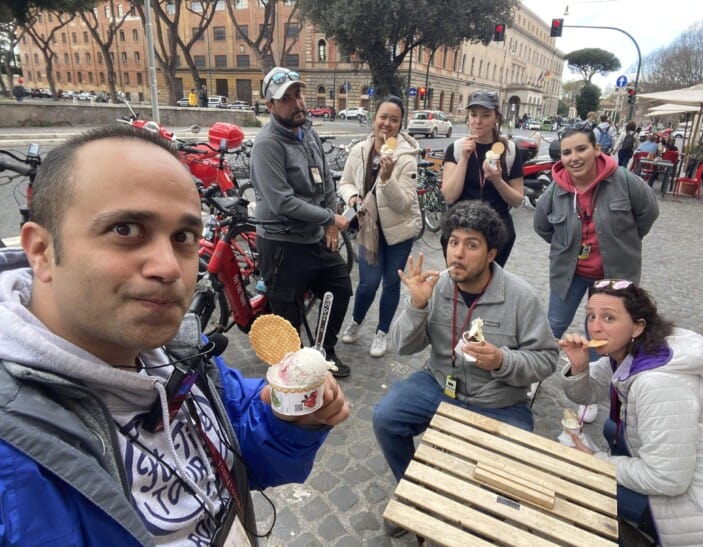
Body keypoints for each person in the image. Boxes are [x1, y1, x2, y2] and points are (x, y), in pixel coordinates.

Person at [0, 124, 349, 546]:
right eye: (126, 230)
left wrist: (288, 422)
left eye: (183, 237)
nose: (168, 267)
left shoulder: (180, 353)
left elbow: (241, 449)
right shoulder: (15, 463)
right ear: (41, 251)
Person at [372, 201, 558, 536]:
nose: (458, 253)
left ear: (491, 255)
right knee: (386, 416)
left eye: (471, 245)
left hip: (499, 401)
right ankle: (412, 491)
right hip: (439, 384)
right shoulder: (436, 286)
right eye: (453, 242)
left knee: (513, 468)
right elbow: (401, 346)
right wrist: (417, 305)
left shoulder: (520, 297)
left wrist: (502, 360)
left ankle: (480, 517)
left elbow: (546, 358)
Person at [558, 281, 703, 547]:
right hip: (688, 468)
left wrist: (596, 460)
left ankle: (634, 532)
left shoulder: (658, 384)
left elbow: (668, 479)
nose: (595, 327)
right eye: (591, 316)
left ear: (637, 326)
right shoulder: (630, 352)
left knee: (580, 478)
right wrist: (579, 366)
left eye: (609, 317)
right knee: (610, 429)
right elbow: (586, 394)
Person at [533, 126, 658, 424]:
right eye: (567, 152)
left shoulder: (624, 181)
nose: (574, 157)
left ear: (597, 150)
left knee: (600, 336)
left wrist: (623, 242)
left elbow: (648, 213)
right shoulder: (557, 189)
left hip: (614, 277)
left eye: (581, 149)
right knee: (553, 326)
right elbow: (541, 225)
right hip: (570, 273)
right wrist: (568, 246)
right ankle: (533, 374)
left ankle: (588, 392)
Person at [250, 67, 352, 377]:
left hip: (313, 237)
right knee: (288, 313)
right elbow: (283, 202)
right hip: (281, 243)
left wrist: (330, 223)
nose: (298, 104)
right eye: (287, 99)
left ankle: (324, 349)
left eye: (299, 94)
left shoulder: (308, 131)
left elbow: (326, 182)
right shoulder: (267, 144)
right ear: (270, 106)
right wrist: (329, 217)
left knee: (340, 287)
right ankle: (293, 372)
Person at [338, 96, 422, 357]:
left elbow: (405, 204)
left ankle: (382, 332)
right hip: (369, 228)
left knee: (391, 284)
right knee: (367, 283)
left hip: (399, 232)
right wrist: (351, 196)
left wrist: (386, 179)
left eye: (394, 119)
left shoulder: (406, 158)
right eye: (383, 117)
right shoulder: (360, 150)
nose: (387, 123)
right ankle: (356, 321)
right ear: (374, 118)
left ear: (400, 125)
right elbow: (346, 182)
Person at [441, 90, 524, 267]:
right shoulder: (455, 149)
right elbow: (449, 196)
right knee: (461, 283)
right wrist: (464, 158)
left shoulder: (509, 150)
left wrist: (497, 180)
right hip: (460, 232)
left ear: (496, 117)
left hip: (497, 234)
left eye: (486, 115)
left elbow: (517, 200)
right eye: (473, 115)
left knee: (490, 287)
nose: (478, 121)